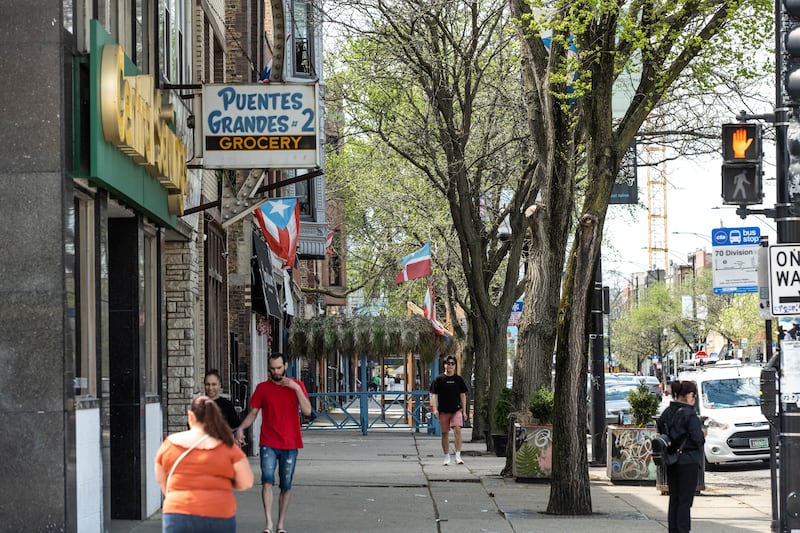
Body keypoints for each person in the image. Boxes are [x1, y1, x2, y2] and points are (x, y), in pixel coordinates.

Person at [235, 353, 312, 533]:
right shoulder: (262, 388)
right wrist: (241, 428)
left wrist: (296, 388)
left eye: (278, 368)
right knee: (267, 480)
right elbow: (253, 413)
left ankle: (280, 525)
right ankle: (268, 524)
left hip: (290, 443)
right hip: (268, 442)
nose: (276, 372)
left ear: (285, 366)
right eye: (272, 369)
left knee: (286, 485)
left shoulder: (297, 386)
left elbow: (308, 412)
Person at [154, 395, 254, 533]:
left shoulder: (170, 443)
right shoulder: (228, 447)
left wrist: (178, 494)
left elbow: (162, 480)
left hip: (178, 512)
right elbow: (246, 482)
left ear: (190, 416)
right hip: (219, 513)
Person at [657, 380, 705, 533]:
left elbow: (660, 429)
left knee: (675, 499)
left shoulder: (667, 412)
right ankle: (683, 530)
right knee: (685, 501)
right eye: (694, 396)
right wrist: (703, 433)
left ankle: (674, 530)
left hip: (671, 459)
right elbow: (698, 439)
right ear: (690, 395)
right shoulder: (689, 414)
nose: (694, 399)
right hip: (688, 460)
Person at [429, 355, 468, 466]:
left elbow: (463, 396)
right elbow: (434, 396)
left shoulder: (458, 380)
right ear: (444, 365)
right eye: (448, 363)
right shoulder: (439, 380)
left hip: (456, 410)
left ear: (455, 366)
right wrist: (435, 409)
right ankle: (447, 457)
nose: (450, 365)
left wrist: (464, 411)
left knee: (458, 430)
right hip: (443, 411)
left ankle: (458, 456)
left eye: (452, 363)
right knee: (445, 433)